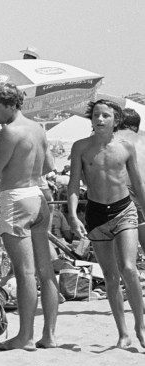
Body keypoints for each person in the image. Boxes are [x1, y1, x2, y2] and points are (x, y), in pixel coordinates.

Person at [0, 81, 58, 351]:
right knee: (46, 271)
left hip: (16, 198)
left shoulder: (9, 132)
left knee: (25, 273)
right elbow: (49, 165)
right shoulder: (37, 128)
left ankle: (25, 335)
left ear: (11, 105)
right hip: (38, 196)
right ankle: (48, 334)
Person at [66, 98, 145, 349]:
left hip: (124, 210)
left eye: (105, 116)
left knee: (129, 268)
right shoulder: (80, 147)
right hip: (96, 214)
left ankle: (140, 325)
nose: (99, 120)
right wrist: (72, 214)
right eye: (96, 115)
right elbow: (73, 184)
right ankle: (122, 332)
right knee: (110, 276)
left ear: (116, 120)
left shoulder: (125, 148)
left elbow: (138, 183)